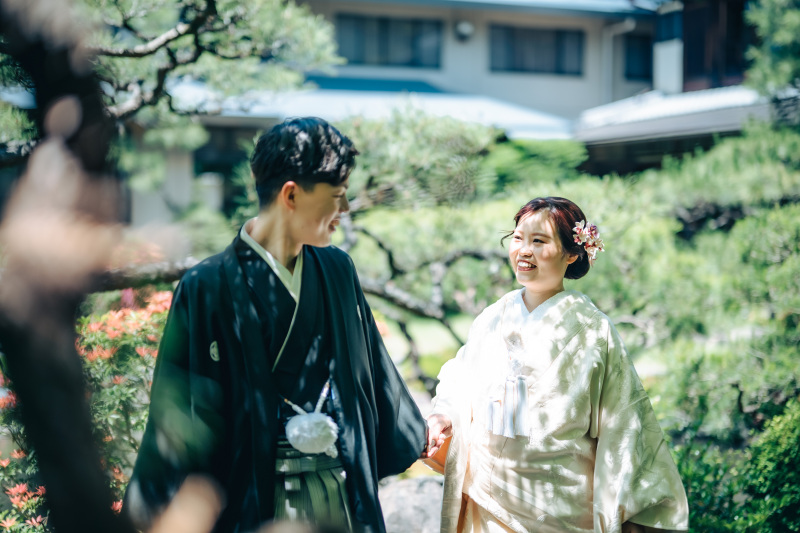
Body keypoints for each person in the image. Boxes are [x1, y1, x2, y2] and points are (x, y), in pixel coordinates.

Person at [125, 117, 427, 533]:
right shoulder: (207, 285)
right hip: (254, 499)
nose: (344, 211)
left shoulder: (337, 268)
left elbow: (370, 373)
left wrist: (422, 431)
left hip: (340, 490)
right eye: (336, 197)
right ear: (291, 194)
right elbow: (179, 416)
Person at [425, 197, 689, 533]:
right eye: (518, 238)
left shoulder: (594, 329)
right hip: (487, 497)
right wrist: (445, 414)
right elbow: (459, 378)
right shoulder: (492, 317)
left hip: (560, 504)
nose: (523, 250)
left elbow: (625, 421)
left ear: (572, 253)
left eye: (539, 241)